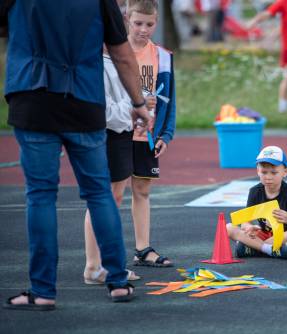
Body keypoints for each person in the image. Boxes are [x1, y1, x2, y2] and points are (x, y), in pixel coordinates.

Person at [1, 0, 153, 309]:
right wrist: (138, 102)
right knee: (99, 192)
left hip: (32, 97)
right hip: (83, 99)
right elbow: (122, 54)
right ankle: (117, 282)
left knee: (41, 195)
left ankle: (43, 290)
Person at [84, 0, 177, 279]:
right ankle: (98, 262)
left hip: (147, 133)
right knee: (113, 194)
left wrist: (166, 133)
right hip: (119, 129)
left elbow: (169, 99)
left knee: (142, 190)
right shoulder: (113, 53)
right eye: (138, 23)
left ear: (156, 23)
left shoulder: (163, 56)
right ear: (126, 20)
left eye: (149, 24)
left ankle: (143, 248)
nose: (143, 29)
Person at [226, 146, 287, 259]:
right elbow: (245, 223)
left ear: (285, 172)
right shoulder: (255, 191)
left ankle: (254, 248)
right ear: (258, 171)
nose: (268, 177)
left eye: (274, 172)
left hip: (283, 236)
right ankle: (269, 250)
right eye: (264, 172)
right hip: (262, 234)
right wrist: (249, 227)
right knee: (228, 227)